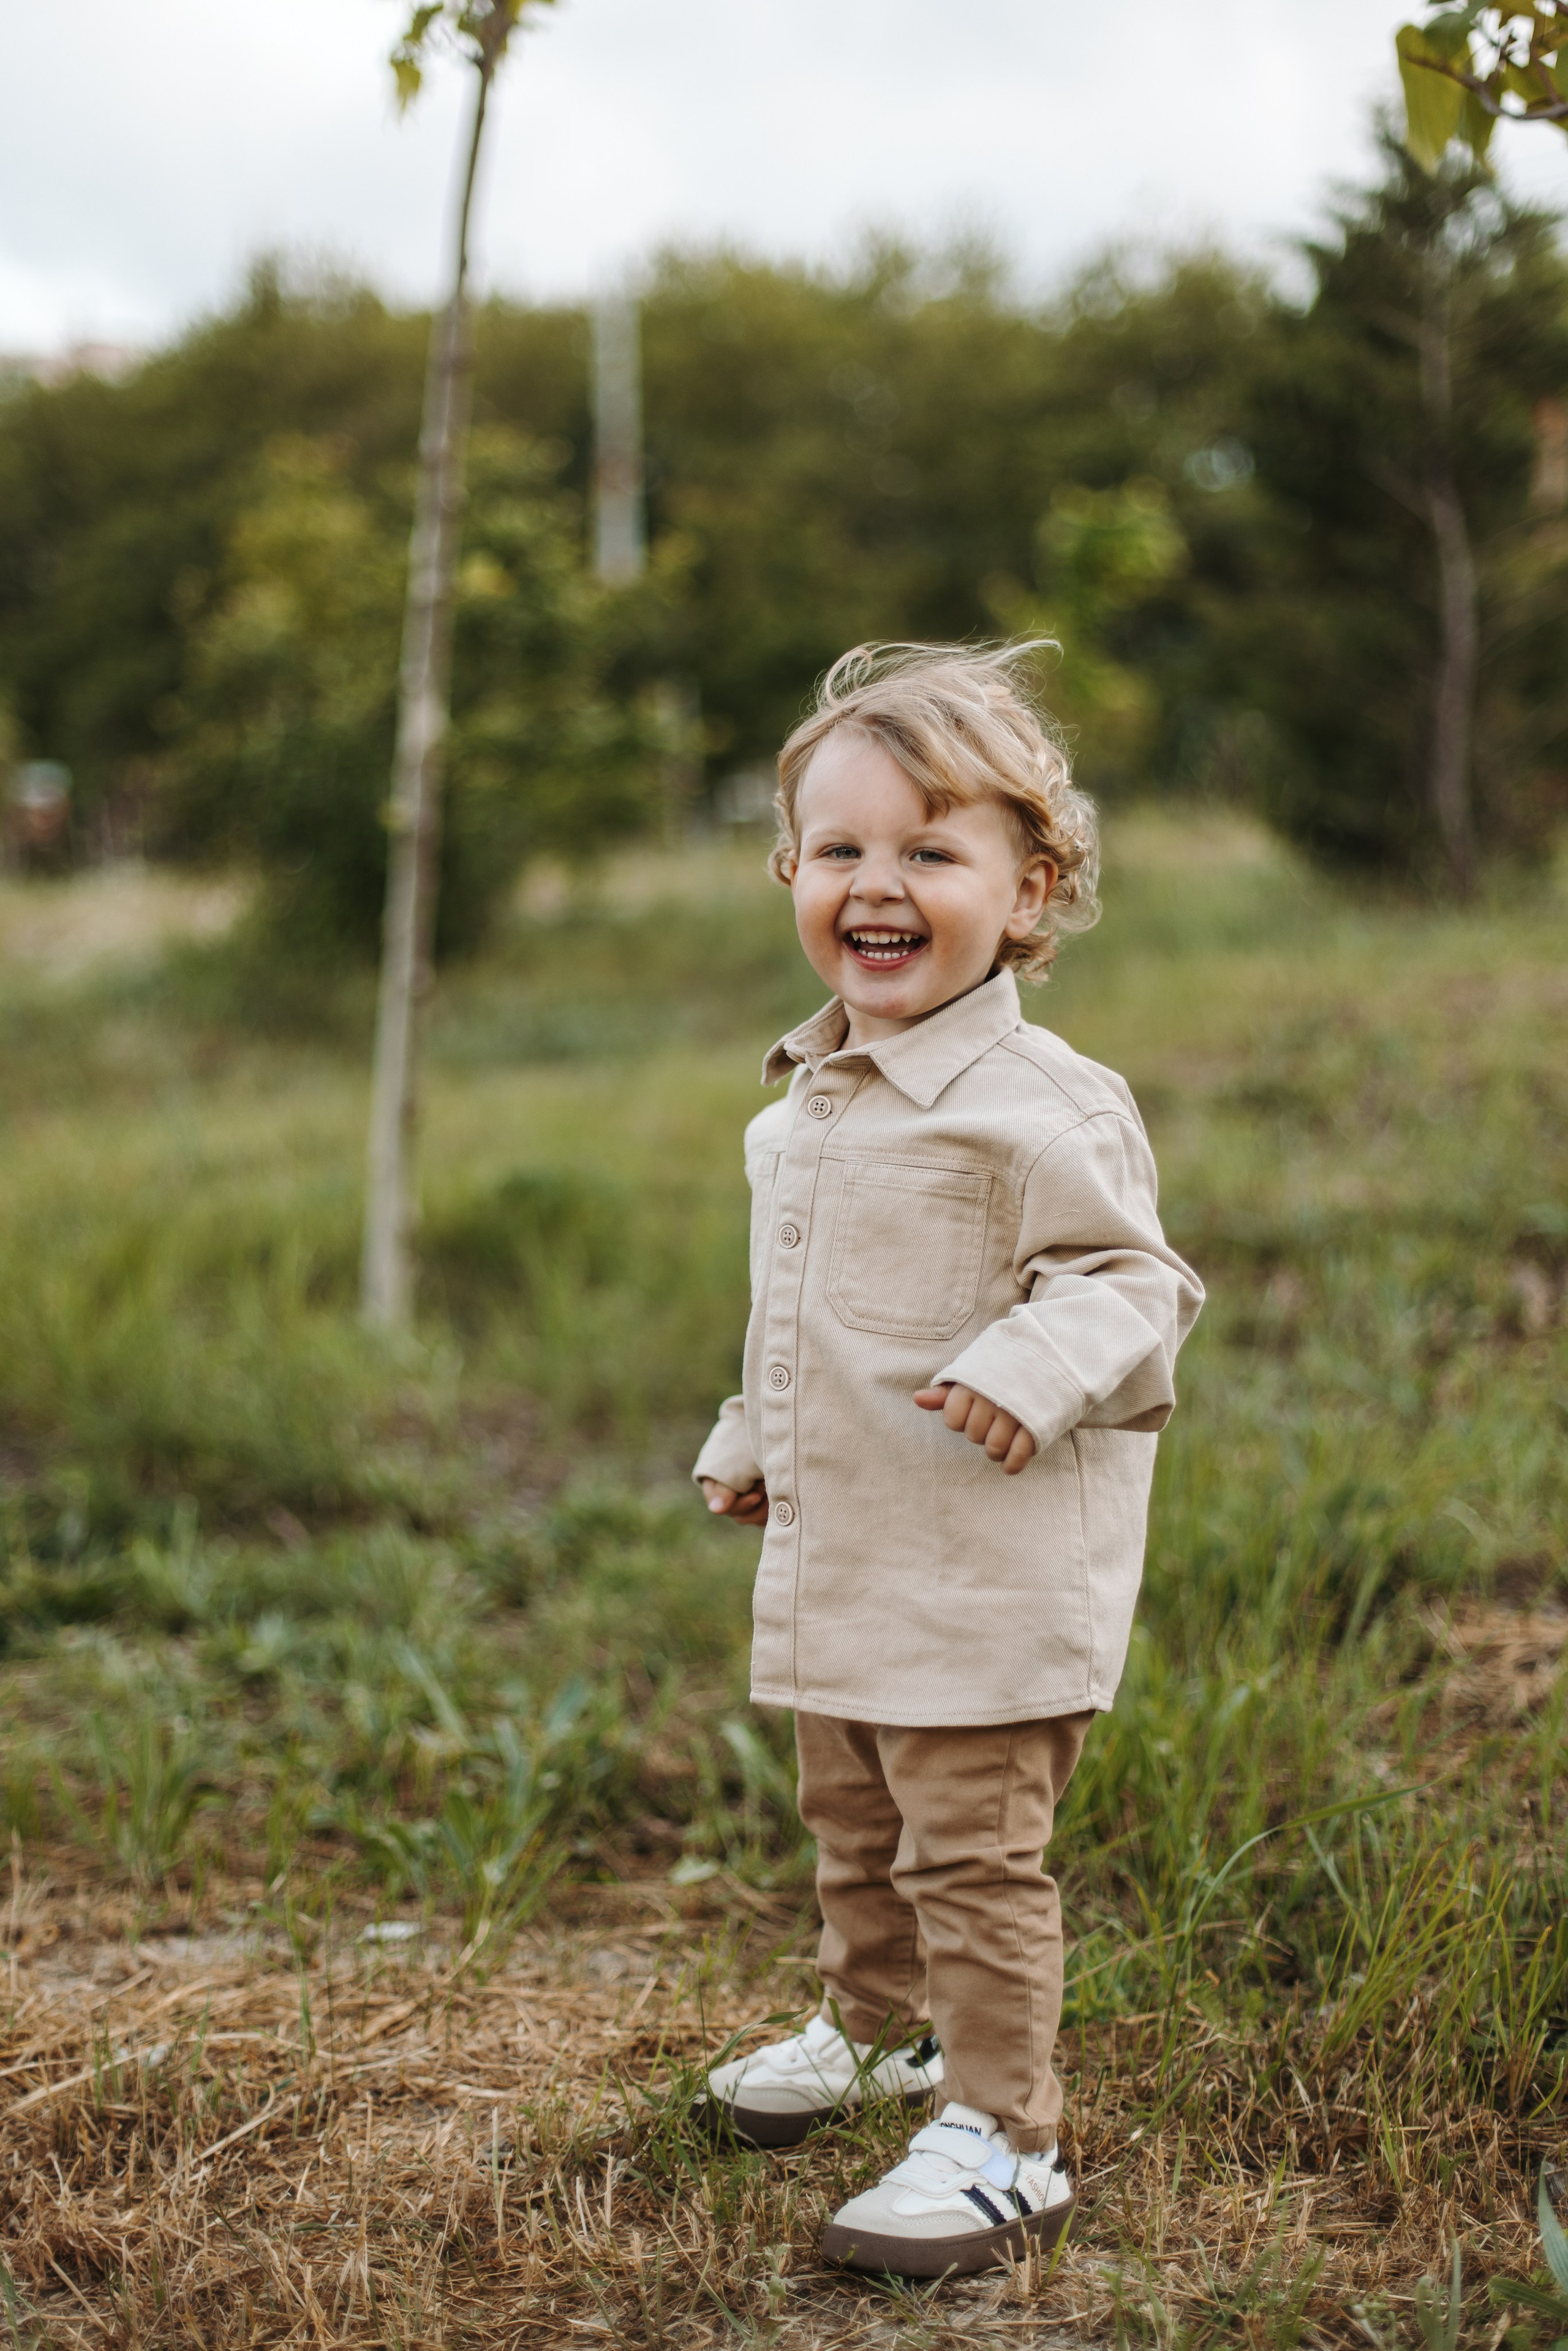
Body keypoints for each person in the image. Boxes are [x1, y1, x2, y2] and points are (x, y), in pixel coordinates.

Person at [692, 642, 1204, 2280]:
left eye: (931, 850)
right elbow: (795, 1313)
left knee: (969, 1859)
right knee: (852, 1829)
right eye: (840, 848)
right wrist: (753, 1431)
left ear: (1028, 888)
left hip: (984, 1582)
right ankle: (880, 2035)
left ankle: (1005, 2131)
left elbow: (1134, 1284)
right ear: (791, 872)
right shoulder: (800, 1111)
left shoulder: (1044, 1108)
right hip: (851, 1556)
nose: (877, 884)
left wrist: (1030, 1361)